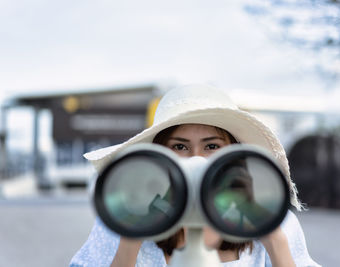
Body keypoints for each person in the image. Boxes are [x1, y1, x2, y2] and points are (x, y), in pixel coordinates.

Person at [69, 84, 320, 267]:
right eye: (180, 147)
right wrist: (130, 238)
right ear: (158, 156)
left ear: (233, 155)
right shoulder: (124, 216)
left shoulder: (270, 217)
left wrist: (272, 235)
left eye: (212, 146)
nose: (196, 159)